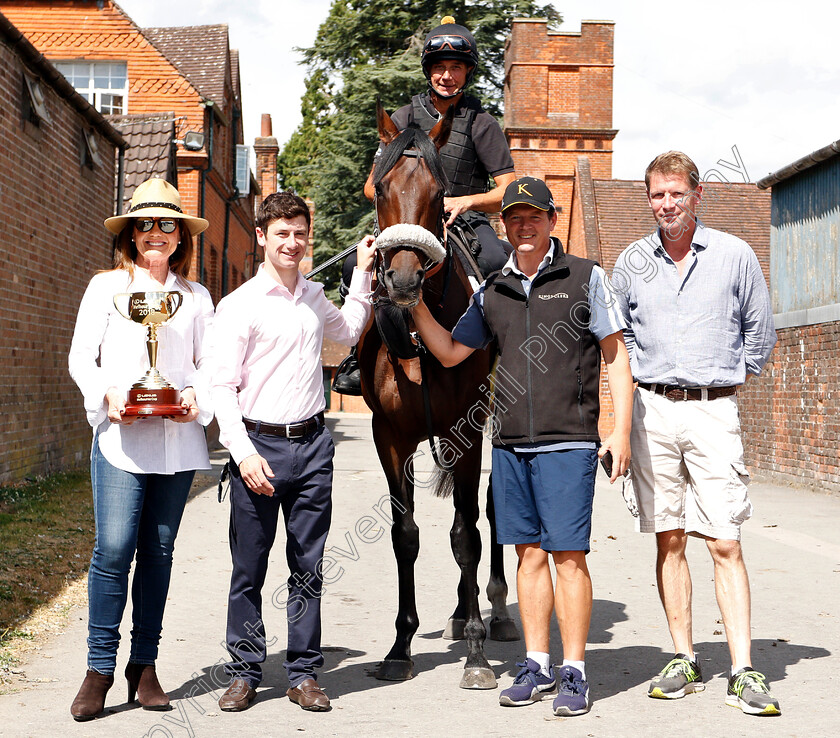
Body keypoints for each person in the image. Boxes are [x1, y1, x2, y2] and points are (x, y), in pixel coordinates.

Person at [410, 176, 633, 717]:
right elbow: (450, 353)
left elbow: (616, 355)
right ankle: (535, 663)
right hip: (509, 446)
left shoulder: (585, 278)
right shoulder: (492, 290)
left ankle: (574, 672)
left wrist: (620, 429)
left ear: (552, 220)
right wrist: (414, 304)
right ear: (504, 228)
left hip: (568, 442)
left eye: (534, 216)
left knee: (568, 557)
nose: (524, 226)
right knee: (527, 557)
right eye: (514, 218)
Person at [612, 151, 780, 716]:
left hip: (713, 410)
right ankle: (683, 656)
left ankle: (742, 668)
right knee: (669, 538)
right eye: (657, 195)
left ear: (696, 194)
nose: (666, 205)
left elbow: (760, 332)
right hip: (652, 412)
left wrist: (725, 379)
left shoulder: (734, 255)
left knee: (726, 540)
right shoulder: (633, 261)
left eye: (675, 194)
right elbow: (621, 337)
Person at [210, 191, 376, 713]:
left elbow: (348, 331)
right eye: (281, 233)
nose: (292, 242)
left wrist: (365, 272)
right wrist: (242, 454)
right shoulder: (238, 305)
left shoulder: (313, 297)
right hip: (257, 447)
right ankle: (244, 671)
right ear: (262, 237)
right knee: (249, 568)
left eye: (300, 233)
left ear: (309, 237)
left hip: (311, 447)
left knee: (308, 566)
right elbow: (220, 387)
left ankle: (303, 673)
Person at [67, 178, 214, 721]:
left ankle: (144, 665)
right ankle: (99, 668)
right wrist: (105, 392)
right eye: (146, 224)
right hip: (121, 439)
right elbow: (83, 356)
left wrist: (197, 394)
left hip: (175, 441)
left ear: (180, 236)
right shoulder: (105, 287)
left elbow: (210, 363)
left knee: (158, 552)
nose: (156, 233)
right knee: (113, 550)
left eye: (167, 224)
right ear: (131, 233)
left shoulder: (195, 297)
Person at [332, 15, 516, 395]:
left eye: (455, 68)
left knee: (497, 262)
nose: (446, 75)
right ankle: (356, 355)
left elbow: (507, 191)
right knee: (355, 264)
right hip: (406, 220)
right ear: (428, 72)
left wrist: (465, 200)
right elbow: (371, 188)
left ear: (467, 73)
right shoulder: (402, 118)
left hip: (464, 220)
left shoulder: (482, 123)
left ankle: (501, 356)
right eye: (439, 68)